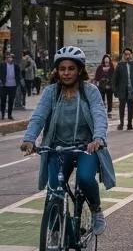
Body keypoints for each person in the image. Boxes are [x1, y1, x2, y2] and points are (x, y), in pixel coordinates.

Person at [20, 46, 115, 235]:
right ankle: (56, 233)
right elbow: (39, 116)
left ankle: (96, 210)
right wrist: (29, 139)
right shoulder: (50, 92)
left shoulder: (90, 91)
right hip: (57, 148)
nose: (66, 73)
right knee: (54, 190)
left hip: (85, 148)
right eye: (62, 68)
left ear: (80, 70)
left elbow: (99, 115)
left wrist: (98, 138)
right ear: (57, 71)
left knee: (86, 178)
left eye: (71, 68)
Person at [113, 47, 133, 130]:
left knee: (130, 107)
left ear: (131, 55)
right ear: (123, 55)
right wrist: (115, 90)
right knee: (121, 107)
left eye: (129, 54)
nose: (127, 56)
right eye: (126, 54)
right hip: (122, 90)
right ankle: (121, 123)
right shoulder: (120, 65)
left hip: (132, 90)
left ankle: (129, 123)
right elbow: (115, 78)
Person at [1, 52, 21, 120]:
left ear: (12, 58)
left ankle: (9, 115)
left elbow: (18, 74)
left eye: (10, 57)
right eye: (7, 58)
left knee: (11, 100)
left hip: (13, 85)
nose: (9, 59)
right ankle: (3, 114)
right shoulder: (2, 65)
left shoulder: (16, 66)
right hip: (4, 85)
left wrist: (18, 82)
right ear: (6, 59)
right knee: (3, 100)